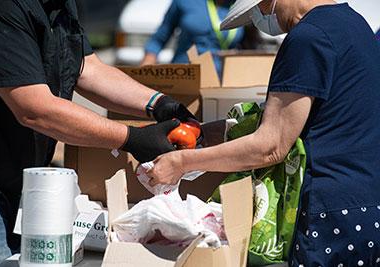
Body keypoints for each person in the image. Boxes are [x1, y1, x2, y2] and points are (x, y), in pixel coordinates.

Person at [147, 0, 380, 265]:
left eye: (256, 9)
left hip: (329, 215)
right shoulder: (355, 25)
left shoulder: (307, 38)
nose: (259, 18)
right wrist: (200, 133)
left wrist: (181, 162)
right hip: (366, 207)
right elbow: (304, 120)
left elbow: (270, 146)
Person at [0, 0, 195, 265]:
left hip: (23, 176)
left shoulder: (60, 5)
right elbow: (35, 109)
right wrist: (132, 138)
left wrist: (160, 104)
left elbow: (87, 68)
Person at [141, 0, 244, 74]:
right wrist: (145, 71)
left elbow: (250, 46)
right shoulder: (185, 2)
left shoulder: (241, 5)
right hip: (185, 75)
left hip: (222, 80)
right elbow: (159, 39)